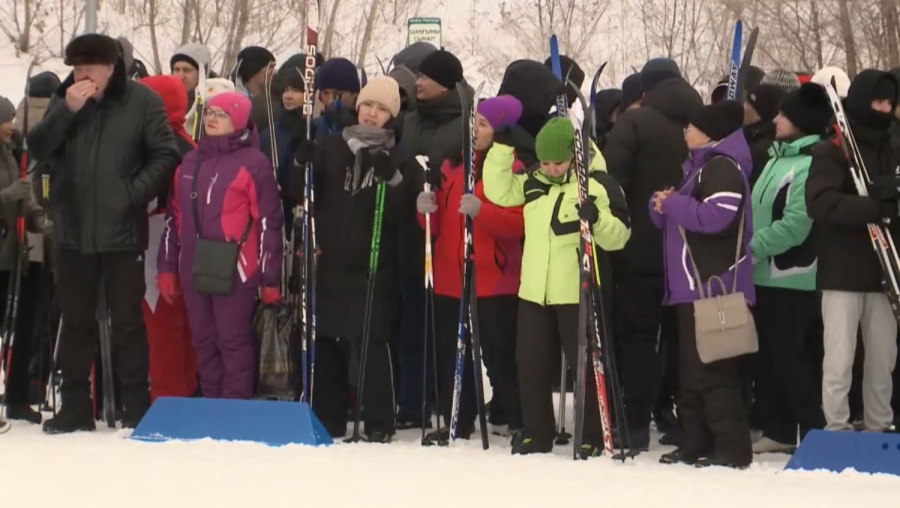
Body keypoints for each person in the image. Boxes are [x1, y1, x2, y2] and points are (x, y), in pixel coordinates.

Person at [27, 33, 180, 433]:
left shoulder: (141, 102)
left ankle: (136, 406)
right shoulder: (66, 100)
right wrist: (65, 112)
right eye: (76, 69)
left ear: (111, 68)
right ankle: (76, 406)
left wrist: (132, 194)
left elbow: (165, 153)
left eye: (88, 69)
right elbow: (38, 146)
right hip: (73, 230)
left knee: (127, 322)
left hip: (122, 232)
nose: (81, 76)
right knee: (75, 321)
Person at [483, 116, 631, 457]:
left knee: (585, 365)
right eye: (545, 162)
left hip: (578, 291)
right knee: (530, 363)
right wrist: (502, 148)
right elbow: (498, 191)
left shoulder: (598, 184)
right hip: (534, 291)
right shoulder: (534, 181)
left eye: (558, 162)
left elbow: (620, 237)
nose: (550, 168)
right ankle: (537, 432)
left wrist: (597, 219)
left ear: (574, 156)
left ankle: (592, 433)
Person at [294, 76, 409, 442]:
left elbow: (406, 213)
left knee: (372, 342)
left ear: (392, 115)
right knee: (328, 342)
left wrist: (393, 180)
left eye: (381, 109)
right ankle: (329, 418)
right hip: (331, 262)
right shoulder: (330, 147)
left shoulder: (398, 155)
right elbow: (297, 194)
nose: (373, 114)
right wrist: (300, 162)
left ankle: (379, 420)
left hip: (374, 265)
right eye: (368, 106)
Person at [602, 57, 703, 449]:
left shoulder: (635, 122)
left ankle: (637, 422)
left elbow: (611, 181)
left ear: (645, 90)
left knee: (639, 338)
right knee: (684, 341)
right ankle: (684, 420)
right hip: (693, 252)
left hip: (639, 251)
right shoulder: (701, 125)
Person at [157, 91, 283, 400]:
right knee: (203, 340)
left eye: (221, 114)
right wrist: (166, 267)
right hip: (193, 266)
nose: (212, 118)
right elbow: (175, 217)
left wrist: (270, 278)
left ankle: (234, 407)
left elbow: (269, 222)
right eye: (209, 112)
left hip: (236, 268)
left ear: (238, 121)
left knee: (232, 339)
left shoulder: (254, 163)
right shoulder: (189, 161)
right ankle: (212, 404)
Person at [415, 95, 526, 441]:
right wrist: (424, 210)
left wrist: (483, 212)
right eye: (473, 121)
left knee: (498, 354)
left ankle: (520, 419)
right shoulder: (450, 167)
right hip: (451, 276)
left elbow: (520, 224)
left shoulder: (514, 169)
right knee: (452, 353)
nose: (473, 128)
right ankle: (458, 419)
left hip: (494, 278)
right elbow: (434, 226)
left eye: (482, 123)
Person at [652, 100, 754, 468]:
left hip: (714, 286)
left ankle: (731, 446)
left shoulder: (723, 168)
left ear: (709, 133)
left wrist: (675, 205)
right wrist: (662, 205)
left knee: (714, 373)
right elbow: (683, 216)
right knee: (691, 374)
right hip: (690, 287)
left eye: (690, 127)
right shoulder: (698, 168)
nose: (685, 132)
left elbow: (717, 218)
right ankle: (694, 441)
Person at [806, 69, 900, 433]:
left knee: (883, 358)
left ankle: (880, 424)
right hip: (842, 272)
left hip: (886, 270)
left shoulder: (894, 145)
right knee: (840, 357)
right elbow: (821, 204)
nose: (883, 108)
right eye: (877, 102)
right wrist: (874, 206)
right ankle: (837, 425)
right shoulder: (832, 150)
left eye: (889, 103)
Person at [750, 83, 831, 453]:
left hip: (793, 277)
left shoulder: (811, 161)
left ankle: (811, 430)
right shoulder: (775, 158)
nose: (776, 119)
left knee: (793, 358)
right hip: (762, 275)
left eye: (784, 114)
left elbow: (798, 222)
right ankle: (778, 429)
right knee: (769, 356)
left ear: (800, 121)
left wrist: (753, 247)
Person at [394, 49, 469, 428]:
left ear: (445, 83)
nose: (417, 82)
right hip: (409, 232)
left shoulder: (466, 123)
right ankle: (412, 401)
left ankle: (453, 399)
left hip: (447, 235)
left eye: (425, 77)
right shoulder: (408, 121)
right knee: (411, 324)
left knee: (445, 326)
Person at [139, 75, 198, 402]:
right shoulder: (187, 143)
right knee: (180, 325)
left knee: (163, 325)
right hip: (178, 241)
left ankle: (168, 396)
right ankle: (181, 391)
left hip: (157, 240)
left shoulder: (162, 147)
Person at [0, 96, 47, 424]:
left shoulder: (12, 153)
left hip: (15, 256)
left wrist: (37, 218)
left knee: (21, 327)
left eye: (13, 118)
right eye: (6, 119)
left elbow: (21, 202)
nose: (12, 126)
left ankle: (16, 398)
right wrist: (7, 196)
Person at [743, 84, 786, 186]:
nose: (744, 106)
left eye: (749, 103)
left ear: (761, 112)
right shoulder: (747, 136)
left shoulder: (766, 148)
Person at [312, 57, 361, 141]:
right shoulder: (314, 127)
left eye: (338, 94)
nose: (330, 100)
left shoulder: (367, 127)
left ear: (354, 94)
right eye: (325, 93)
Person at [170, 43, 213, 139]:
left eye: (187, 70)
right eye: (176, 70)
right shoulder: (164, 100)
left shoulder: (213, 104)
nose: (181, 76)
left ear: (201, 73)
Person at [234, 46, 277, 130]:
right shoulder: (230, 97)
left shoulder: (274, 100)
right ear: (254, 69)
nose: (274, 72)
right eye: (270, 67)